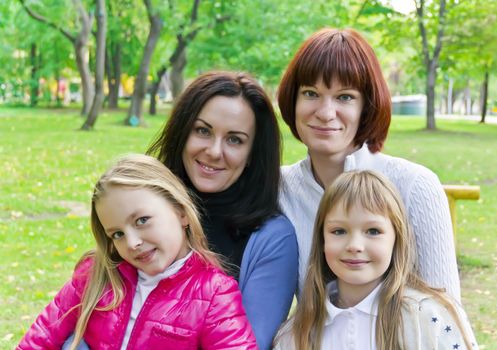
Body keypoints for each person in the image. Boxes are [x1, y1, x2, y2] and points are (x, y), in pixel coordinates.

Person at [277, 28, 460, 301]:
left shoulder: (415, 186)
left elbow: (448, 319)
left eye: (345, 97)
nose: (326, 113)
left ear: (367, 106)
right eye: (311, 93)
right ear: (293, 100)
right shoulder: (278, 190)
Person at [18, 154, 257, 349]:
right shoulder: (97, 275)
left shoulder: (213, 292)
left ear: (181, 212)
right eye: (117, 234)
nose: (132, 243)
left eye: (142, 220)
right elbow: (38, 339)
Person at [147, 71, 298, 350]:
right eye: (203, 131)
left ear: (253, 153)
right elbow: (91, 315)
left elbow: (249, 344)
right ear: (182, 132)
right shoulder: (143, 208)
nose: (214, 151)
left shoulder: (272, 239)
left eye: (235, 140)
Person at [274, 170, 478, 350]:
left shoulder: (428, 317)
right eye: (339, 231)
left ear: (396, 238)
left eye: (373, 231)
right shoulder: (295, 335)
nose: (354, 245)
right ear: (322, 240)